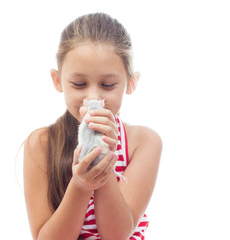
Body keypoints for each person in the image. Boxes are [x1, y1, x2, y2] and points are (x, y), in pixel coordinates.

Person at [23, 13, 162, 240]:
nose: (93, 98)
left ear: (131, 82)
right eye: (79, 84)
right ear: (57, 80)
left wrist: (103, 160)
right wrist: (80, 185)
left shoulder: (144, 142)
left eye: (108, 85)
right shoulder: (41, 144)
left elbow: (116, 235)